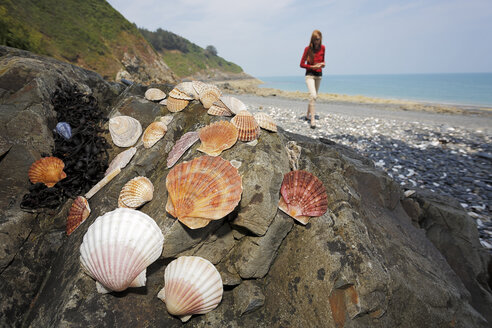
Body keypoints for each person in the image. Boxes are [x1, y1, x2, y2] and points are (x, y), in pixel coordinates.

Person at [300, 30, 325, 128]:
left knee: (312, 97)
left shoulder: (323, 48)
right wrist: (312, 67)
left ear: (320, 39)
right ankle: (312, 120)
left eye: (318, 39)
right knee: (313, 95)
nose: (316, 41)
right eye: (315, 39)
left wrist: (322, 64)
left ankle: (307, 114)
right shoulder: (307, 49)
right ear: (312, 39)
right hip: (309, 74)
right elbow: (301, 64)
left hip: (319, 75)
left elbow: (323, 61)